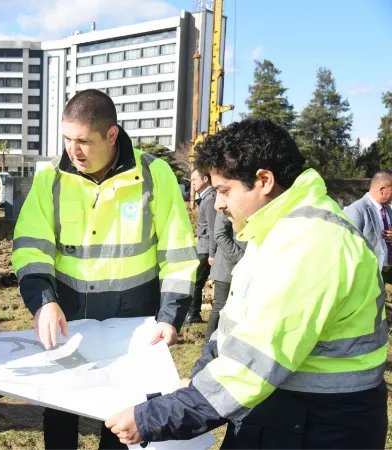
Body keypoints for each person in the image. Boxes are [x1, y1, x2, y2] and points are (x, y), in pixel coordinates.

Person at [105, 118, 389, 449]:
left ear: (263, 181)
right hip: (288, 411)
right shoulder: (275, 228)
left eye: (224, 191)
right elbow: (234, 330)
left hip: (322, 425)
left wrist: (150, 418)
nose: (219, 203)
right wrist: (196, 383)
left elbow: (252, 365)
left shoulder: (310, 242)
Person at [11, 89, 198, 450]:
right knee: (60, 412)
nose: (72, 150)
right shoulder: (50, 177)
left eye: (83, 141)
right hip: (67, 318)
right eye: (67, 139)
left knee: (121, 419)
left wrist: (170, 316)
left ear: (112, 135)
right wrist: (43, 302)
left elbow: (178, 252)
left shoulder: (153, 174)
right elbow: (32, 246)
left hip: (133, 324)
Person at [345, 171, 392, 326]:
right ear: (382, 189)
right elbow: (348, 244)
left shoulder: (387, 210)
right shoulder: (357, 210)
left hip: (384, 269)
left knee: (378, 305)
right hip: (366, 273)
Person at [204, 210, 245, 341]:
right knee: (220, 306)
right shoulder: (225, 203)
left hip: (245, 266)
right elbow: (220, 234)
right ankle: (209, 343)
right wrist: (243, 258)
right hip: (227, 266)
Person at [186, 168, 215, 324]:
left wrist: (212, 253)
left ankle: (193, 314)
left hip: (206, 249)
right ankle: (193, 313)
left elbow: (212, 228)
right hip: (203, 247)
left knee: (196, 281)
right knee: (196, 281)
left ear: (205, 179)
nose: (192, 183)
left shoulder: (210, 199)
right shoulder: (205, 198)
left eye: (194, 179)